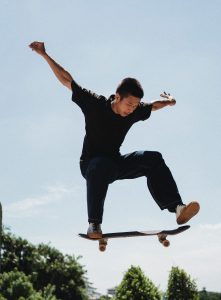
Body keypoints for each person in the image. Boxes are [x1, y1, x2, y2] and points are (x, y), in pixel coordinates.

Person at [29, 41, 200, 239]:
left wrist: (170, 101)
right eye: (129, 104)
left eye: (135, 106)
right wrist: (44, 55)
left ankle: (177, 208)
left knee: (153, 158)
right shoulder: (95, 104)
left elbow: (152, 106)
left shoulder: (134, 111)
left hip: (115, 164)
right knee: (99, 165)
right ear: (117, 97)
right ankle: (94, 224)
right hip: (91, 165)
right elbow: (68, 81)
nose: (132, 110)